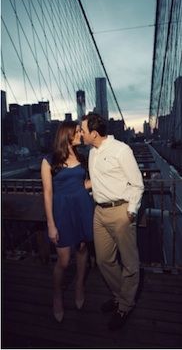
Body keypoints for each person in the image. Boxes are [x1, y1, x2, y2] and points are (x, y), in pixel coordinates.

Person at [80, 113, 144, 331]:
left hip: (120, 212)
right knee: (104, 261)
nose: (81, 134)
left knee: (130, 263)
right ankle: (120, 296)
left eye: (83, 131)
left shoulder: (121, 150)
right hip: (99, 212)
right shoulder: (92, 152)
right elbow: (96, 181)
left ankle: (125, 305)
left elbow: (137, 184)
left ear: (94, 133)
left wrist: (131, 212)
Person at [41, 121, 94, 323]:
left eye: (82, 131)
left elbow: (85, 183)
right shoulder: (49, 161)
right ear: (67, 135)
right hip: (62, 211)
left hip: (82, 207)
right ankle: (57, 295)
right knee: (63, 260)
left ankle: (79, 284)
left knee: (82, 249)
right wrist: (50, 224)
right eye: (78, 131)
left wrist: (101, 178)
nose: (81, 134)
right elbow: (47, 194)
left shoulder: (83, 157)